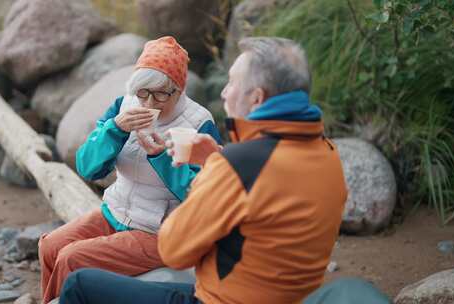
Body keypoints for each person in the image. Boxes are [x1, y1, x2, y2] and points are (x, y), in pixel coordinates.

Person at [59, 37, 348, 304]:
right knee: (57, 249)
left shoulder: (237, 162)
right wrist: (219, 160)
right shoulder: (329, 154)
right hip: (284, 296)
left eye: (232, 82)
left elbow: (175, 247)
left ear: (257, 98)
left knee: (79, 284)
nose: (223, 91)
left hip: (218, 299)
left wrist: (212, 169)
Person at [38, 36, 221, 303]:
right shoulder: (123, 106)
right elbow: (87, 167)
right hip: (115, 212)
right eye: (143, 92)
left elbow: (202, 197)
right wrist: (115, 129)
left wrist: (161, 157)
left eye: (160, 93)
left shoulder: (199, 123)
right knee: (50, 246)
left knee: (71, 258)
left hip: (160, 233)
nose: (149, 103)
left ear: (179, 89)